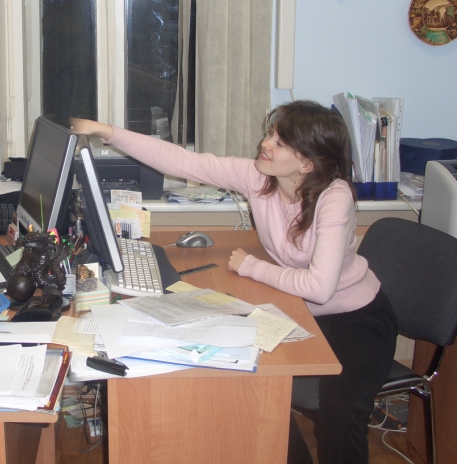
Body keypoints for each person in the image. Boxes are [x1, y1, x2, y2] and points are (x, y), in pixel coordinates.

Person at [71, 100, 398, 464]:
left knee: (342, 408)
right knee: (250, 378)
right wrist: (106, 132)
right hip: (300, 313)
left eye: (280, 142)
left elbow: (320, 288)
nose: (265, 144)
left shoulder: (334, 197)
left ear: (306, 163)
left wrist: (253, 267)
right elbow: (184, 161)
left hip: (357, 319)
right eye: (270, 133)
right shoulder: (259, 178)